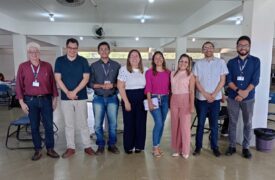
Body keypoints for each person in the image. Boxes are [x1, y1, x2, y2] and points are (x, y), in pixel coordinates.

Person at [16, 42, 59, 161]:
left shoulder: (47, 66)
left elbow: (53, 84)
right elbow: (19, 85)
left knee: (49, 125)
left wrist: (55, 99)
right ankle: (38, 149)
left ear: (39, 53)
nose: (34, 54)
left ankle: (50, 148)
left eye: (36, 51)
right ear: (28, 53)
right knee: (34, 126)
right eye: (31, 52)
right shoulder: (23, 66)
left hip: (46, 99)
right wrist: (21, 102)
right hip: (30, 100)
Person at [54, 38, 95, 158]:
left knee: (83, 123)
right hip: (66, 98)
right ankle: (70, 147)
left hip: (81, 97)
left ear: (77, 48)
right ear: (66, 48)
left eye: (75, 48)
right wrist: (67, 92)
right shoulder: (60, 61)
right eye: (70, 48)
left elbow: (86, 78)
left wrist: (74, 92)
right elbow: (58, 78)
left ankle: (87, 146)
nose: (72, 50)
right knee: (69, 124)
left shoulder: (83, 61)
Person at [225, 35, 260, 159]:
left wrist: (245, 93)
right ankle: (232, 146)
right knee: (232, 122)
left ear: (249, 47)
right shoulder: (231, 62)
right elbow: (228, 80)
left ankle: (246, 147)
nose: (243, 47)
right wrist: (239, 91)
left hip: (249, 97)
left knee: (248, 123)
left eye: (245, 45)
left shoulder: (255, 61)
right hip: (233, 97)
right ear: (237, 47)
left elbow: (255, 80)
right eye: (240, 45)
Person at [192, 41, 228, 157]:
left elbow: (222, 80)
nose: (208, 49)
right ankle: (198, 147)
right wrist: (205, 94)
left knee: (214, 125)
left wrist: (214, 94)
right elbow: (196, 81)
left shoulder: (220, 62)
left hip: (215, 99)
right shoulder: (198, 64)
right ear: (202, 50)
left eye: (210, 47)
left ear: (214, 49)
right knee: (201, 124)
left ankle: (214, 147)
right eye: (205, 48)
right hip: (201, 99)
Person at [89, 41, 121, 155]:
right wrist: (101, 86)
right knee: (98, 124)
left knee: (113, 124)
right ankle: (101, 145)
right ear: (98, 52)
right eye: (101, 49)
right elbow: (90, 83)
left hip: (112, 98)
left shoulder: (116, 65)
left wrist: (113, 85)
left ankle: (112, 145)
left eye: (106, 49)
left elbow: (120, 83)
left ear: (109, 51)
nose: (104, 51)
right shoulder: (93, 66)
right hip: (98, 98)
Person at [117, 49, 148, 154]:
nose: (134, 58)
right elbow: (120, 87)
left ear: (140, 58)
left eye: (136, 56)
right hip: (128, 97)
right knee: (129, 123)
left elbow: (149, 87)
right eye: (132, 56)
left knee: (141, 123)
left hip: (142, 99)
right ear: (129, 59)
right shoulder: (123, 69)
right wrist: (126, 101)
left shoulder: (146, 70)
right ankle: (129, 146)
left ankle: (139, 145)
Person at [145, 51, 170, 157]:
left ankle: (157, 146)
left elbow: (171, 88)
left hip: (165, 98)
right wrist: (150, 101)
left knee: (162, 123)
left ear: (163, 59)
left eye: (160, 57)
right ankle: (155, 148)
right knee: (159, 123)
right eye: (156, 58)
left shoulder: (168, 72)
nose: (158, 59)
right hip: (154, 98)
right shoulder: (149, 72)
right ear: (153, 60)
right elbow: (148, 88)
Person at [170, 54, 195, 159]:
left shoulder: (190, 75)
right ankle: (176, 149)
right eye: (181, 61)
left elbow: (192, 91)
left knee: (184, 127)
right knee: (175, 125)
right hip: (174, 99)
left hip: (185, 100)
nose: (183, 63)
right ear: (178, 62)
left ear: (188, 64)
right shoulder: (172, 74)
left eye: (185, 62)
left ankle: (185, 150)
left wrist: (192, 105)